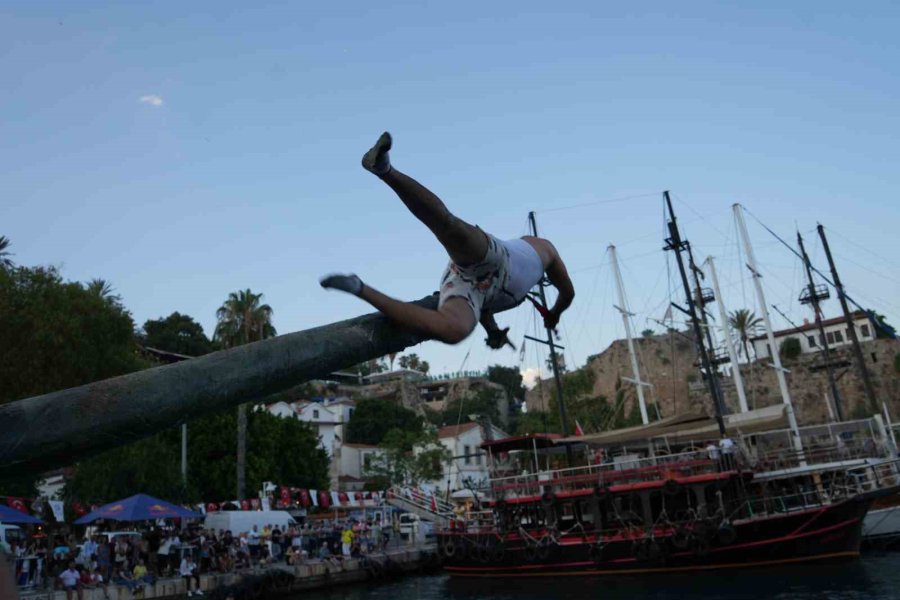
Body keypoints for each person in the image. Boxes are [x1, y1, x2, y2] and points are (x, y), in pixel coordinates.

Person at [321, 132, 575, 350]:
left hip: (473, 288)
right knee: (447, 225)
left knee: (454, 329)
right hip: (493, 258)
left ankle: (359, 288)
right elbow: (567, 293)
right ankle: (384, 170)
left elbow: (487, 307)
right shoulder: (545, 250)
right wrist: (554, 315)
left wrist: (493, 332)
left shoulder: (529, 270)